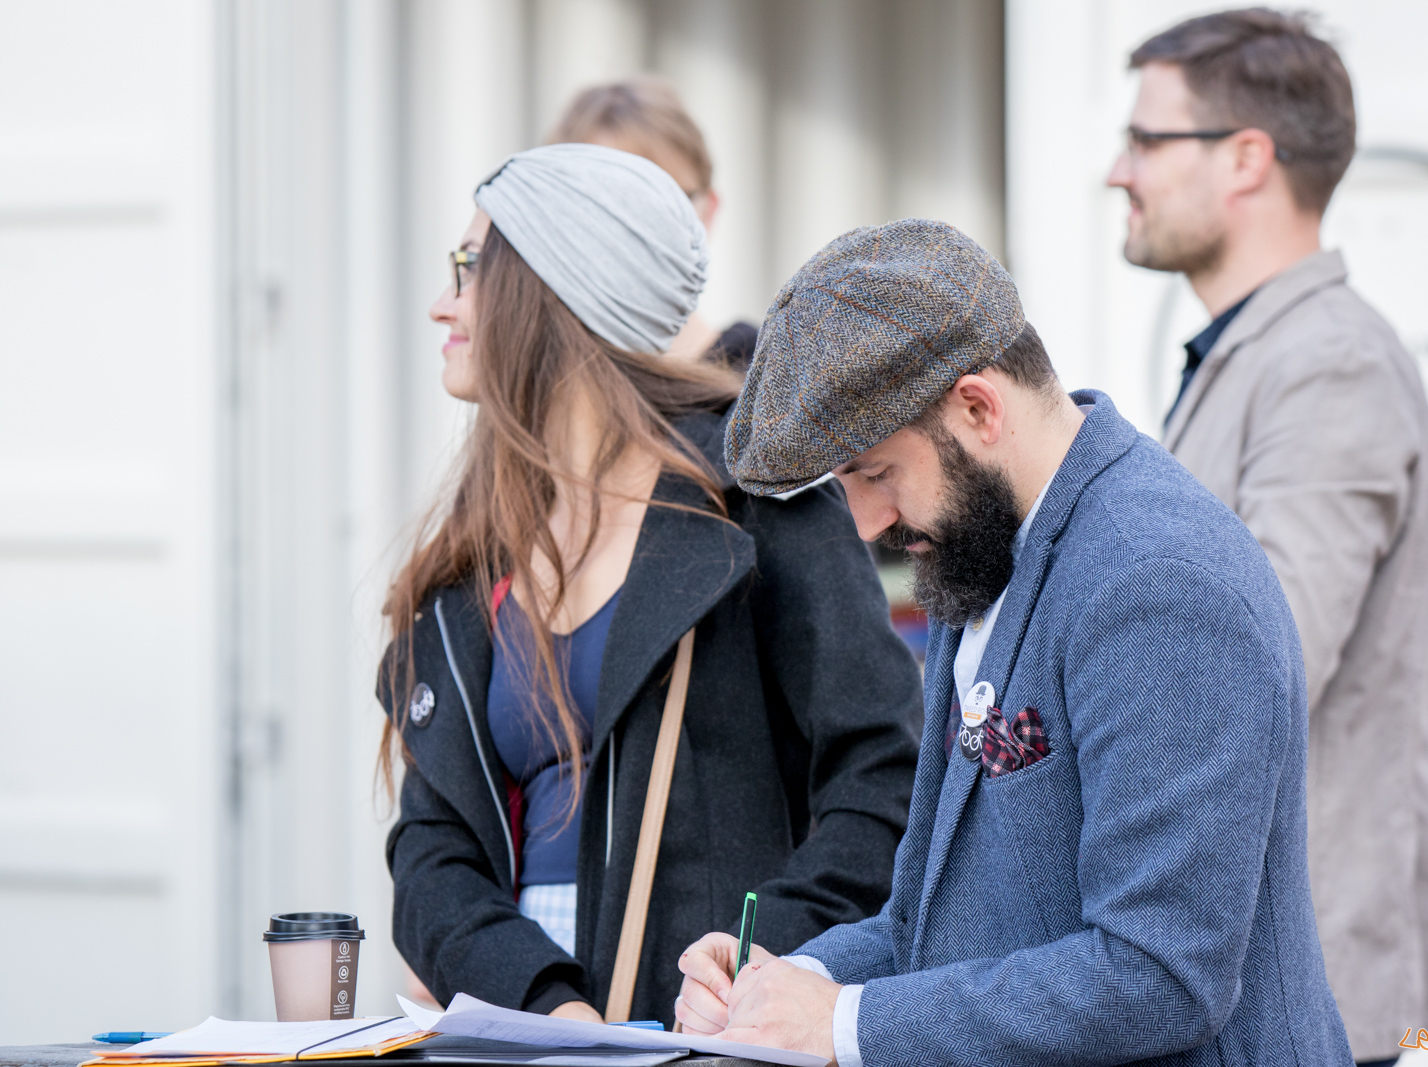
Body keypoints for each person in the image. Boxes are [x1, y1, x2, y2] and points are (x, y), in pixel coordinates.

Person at [675, 218, 1353, 1066]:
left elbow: (1159, 973)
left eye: (879, 473)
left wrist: (842, 1023)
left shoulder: (1159, 580)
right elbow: (933, 923)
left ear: (978, 407)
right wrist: (781, 983)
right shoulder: (988, 547)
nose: (868, 523)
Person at [376, 143, 921, 1027]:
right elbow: (431, 848)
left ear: (557, 289)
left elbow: (883, 782)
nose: (444, 300)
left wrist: (749, 966)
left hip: (704, 1036)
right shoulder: (477, 547)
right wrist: (546, 1004)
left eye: (470, 267)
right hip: (517, 1031)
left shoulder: (751, 508)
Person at [1105, 11, 1428, 1064]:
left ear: (1245, 158)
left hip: (1314, 1004)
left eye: (1145, 140)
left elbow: (1266, 655)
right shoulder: (1252, 353)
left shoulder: (1326, 363)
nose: (1117, 172)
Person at [546, 76, 758, 371]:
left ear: (707, 213)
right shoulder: (540, 386)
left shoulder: (767, 382)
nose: (632, 228)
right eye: (601, 204)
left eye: (662, 201)